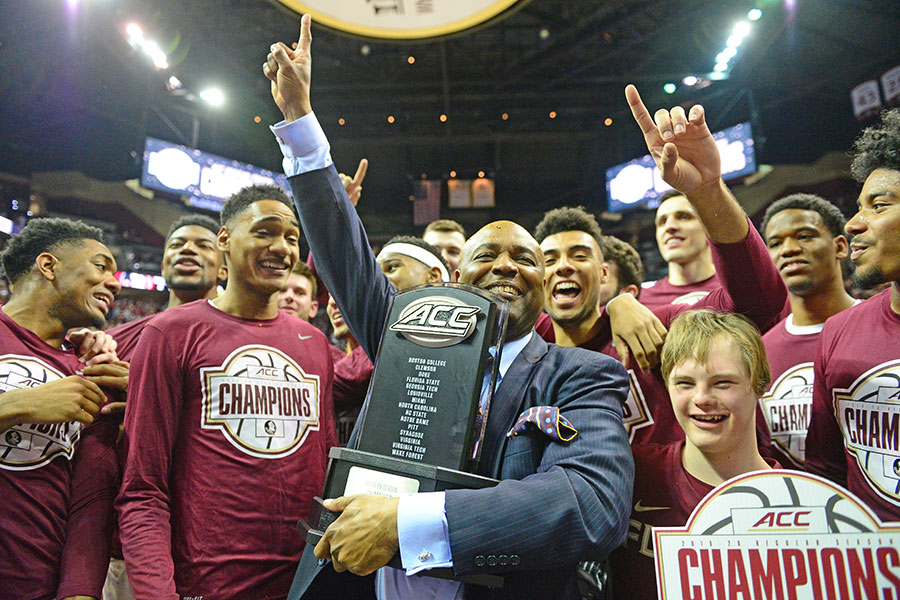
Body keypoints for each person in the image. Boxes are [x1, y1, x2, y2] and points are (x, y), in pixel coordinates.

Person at [265, 16, 633, 599]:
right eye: (488, 254)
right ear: (458, 275)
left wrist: (406, 525)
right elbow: (345, 255)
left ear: (541, 283)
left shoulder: (583, 375)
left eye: (524, 258)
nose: (506, 267)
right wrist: (301, 122)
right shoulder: (408, 334)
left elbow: (591, 503)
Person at [116, 184, 337, 600]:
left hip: (303, 582)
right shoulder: (169, 333)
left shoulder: (314, 343)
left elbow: (325, 467)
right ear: (224, 240)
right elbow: (142, 487)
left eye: (292, 237)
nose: (282, 248)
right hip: (206, 583)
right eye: (265, 232)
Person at [607, 310, 779, 600]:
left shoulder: (795, 502)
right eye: (685, 383)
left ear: (760, 384)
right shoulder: (631, 471)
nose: (701, 398)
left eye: (723, 382)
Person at [0, 217, 124, 600]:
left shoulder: (90, 371)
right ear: (49, 266)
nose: (115, 282)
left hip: (35, 585)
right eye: (101, 266)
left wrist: (79, 592)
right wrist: (19, 403)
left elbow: (90, 503)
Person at [805, 108, 900, 523]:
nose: (854, 224)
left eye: (878, 205)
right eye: (858, 206)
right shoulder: (840, 332)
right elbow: (825, 475)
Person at [758, 194, 856, 469]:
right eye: (775, 243)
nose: (788, 249)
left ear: (840, 246)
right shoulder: (759, 352)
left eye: (804, 236)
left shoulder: (884, 328)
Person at [107, 214, 225, 358]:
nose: (187, 248)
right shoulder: (114, 343)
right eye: (176, 244)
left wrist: (140, 380)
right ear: (163, 267)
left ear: (223, 271)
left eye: (204, 246)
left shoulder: (244, 342)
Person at [640, 189, 720, 308]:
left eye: (683, 217)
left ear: (709, 228)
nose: (669, 227)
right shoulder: (641, 304)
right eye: (662, 222)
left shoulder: (737, 289)